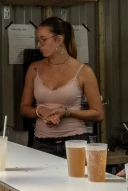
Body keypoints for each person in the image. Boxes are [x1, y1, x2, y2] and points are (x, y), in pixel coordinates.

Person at [20, 17, 103, 157]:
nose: (39, 45)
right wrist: (41, 111)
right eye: (38, 40)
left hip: (76, 144)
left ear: (59, 39)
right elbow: (24, 108)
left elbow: (98, 113)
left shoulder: (84, 71)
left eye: (43, 39)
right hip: (41, 143)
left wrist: (67, 112)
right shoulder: (34, 69)